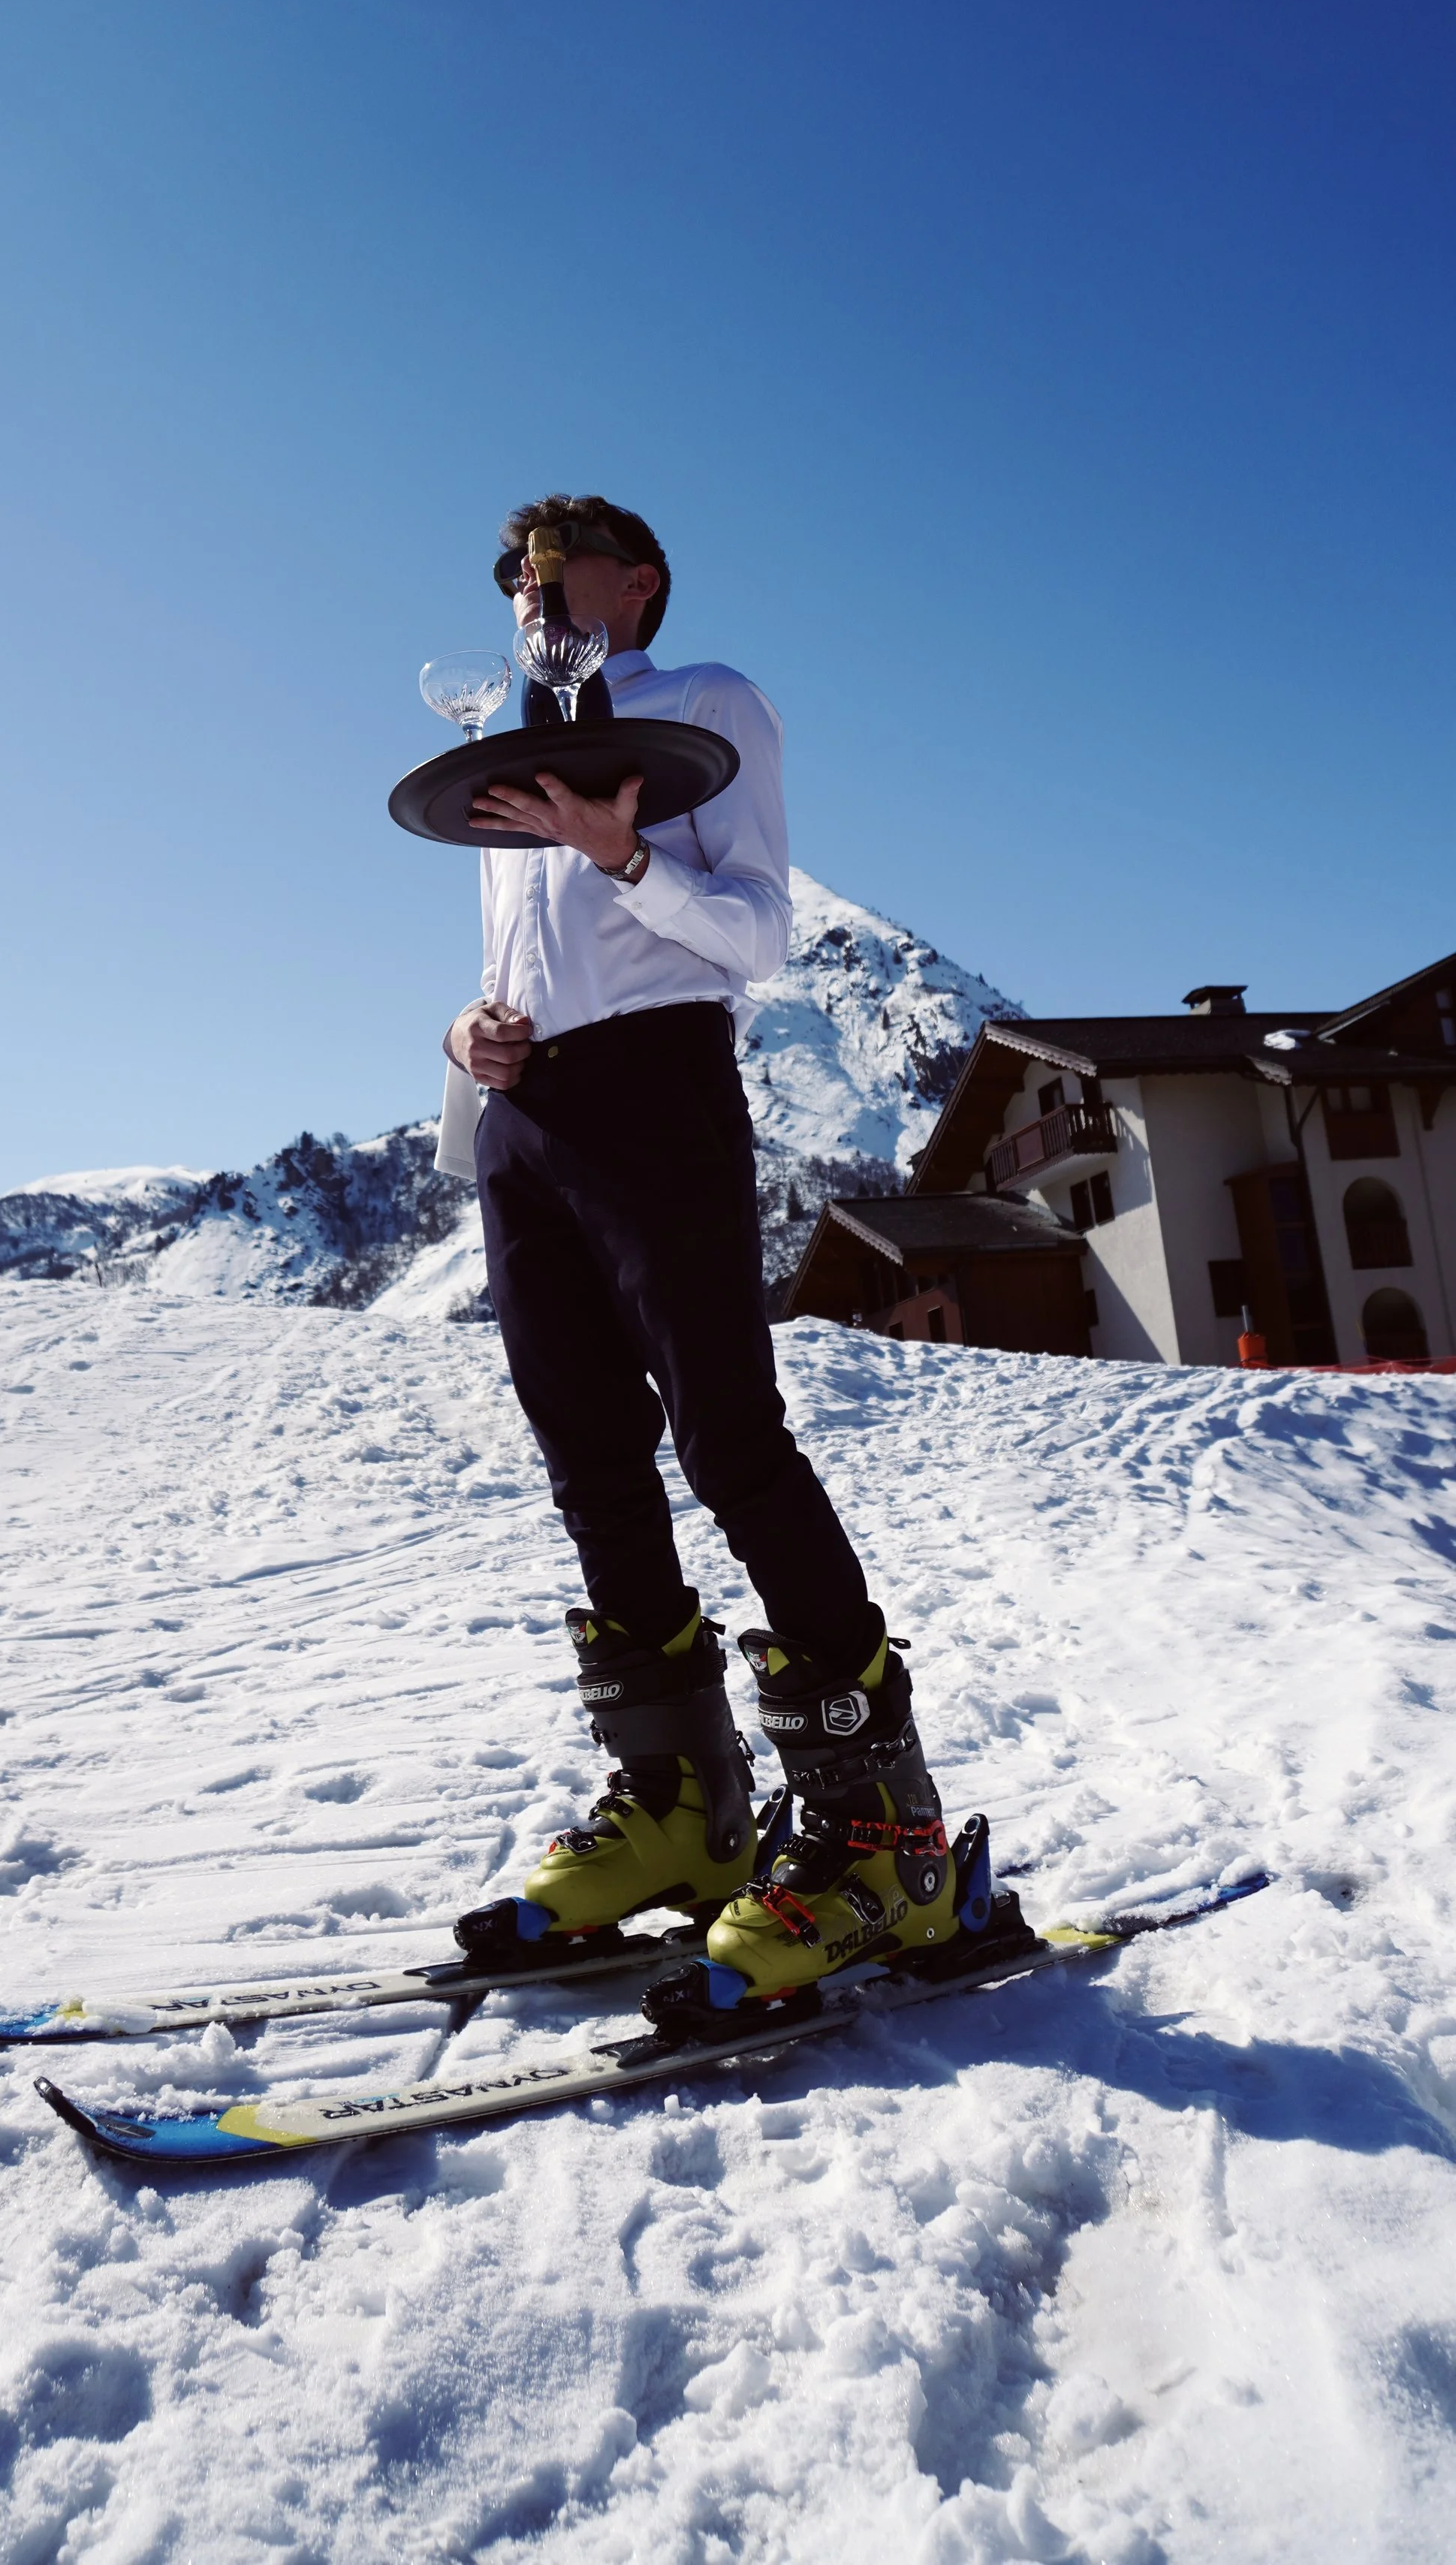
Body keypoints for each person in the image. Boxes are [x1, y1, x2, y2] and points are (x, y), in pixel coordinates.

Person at [443, 494, 958, 2002]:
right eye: (507, 576)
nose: (523, 592)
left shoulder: (702, 707)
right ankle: (682, 1816)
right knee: (584, 1453)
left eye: (551, 566)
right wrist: (461, 1030)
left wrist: (621, 858)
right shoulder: (503, 734)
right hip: (523, 1117)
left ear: (636, 582)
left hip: (661, 1089)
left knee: (729, 1441)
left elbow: (756, 937)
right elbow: (505, 964)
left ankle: (880, 1836)